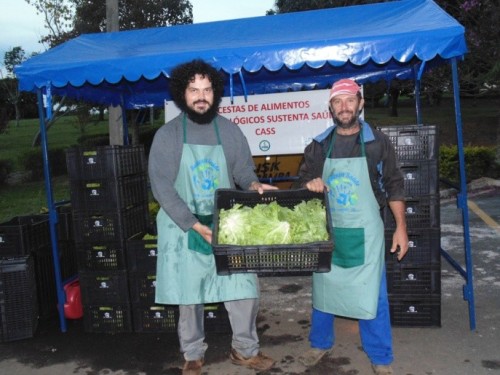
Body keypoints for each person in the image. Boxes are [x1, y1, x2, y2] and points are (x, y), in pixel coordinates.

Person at [148, 59, 277, 375]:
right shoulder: (168, 136)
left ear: (215, 93)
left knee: (243, 288)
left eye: (207, 90)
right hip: (184, 225)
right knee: (188, 294)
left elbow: (244, 172)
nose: (201, 96)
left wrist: (254, 184)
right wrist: (193, 223)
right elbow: (162, 187)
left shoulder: (231, 132)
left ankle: (245, 350)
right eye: (194, 90)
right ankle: (192, 354)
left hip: (226, 225)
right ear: (182, 94)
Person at [296, 78, 409, 375]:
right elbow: (301, 183)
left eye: (349, 100)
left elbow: (395, 185)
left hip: (366, 230)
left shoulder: (377, 143)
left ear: (360, 103)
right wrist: (311, 184)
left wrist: (401, 228)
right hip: (330, 230)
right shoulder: (319, 145)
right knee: (323, 289)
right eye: (337, 101)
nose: (344, 107)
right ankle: (320, 343)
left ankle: (380, 356)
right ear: (330, 108)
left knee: (372, 292)